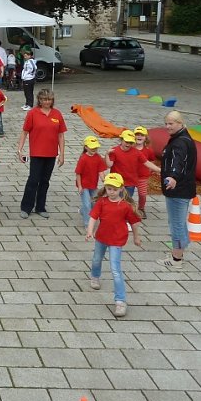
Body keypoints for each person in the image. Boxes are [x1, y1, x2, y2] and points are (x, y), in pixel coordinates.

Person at [86, 172, 143, 317]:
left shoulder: (125, 206)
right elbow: (93, 217)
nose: (111, 192)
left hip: (117, 241)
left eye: (114, 189)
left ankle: (120, 301)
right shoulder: (102, 202)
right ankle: (94, 276)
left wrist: (136, 237)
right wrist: (89, 231)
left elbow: (134, 223)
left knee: (115, 269)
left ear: (121, 189)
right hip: (101, 238)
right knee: (96, 259)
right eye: (109, 188)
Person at [17, 88, 66, 219]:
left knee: (45, 181)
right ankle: (26, 207)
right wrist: (20, 150)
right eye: (44, 99)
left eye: (49, 99)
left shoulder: (57, 114)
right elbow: (24, 132)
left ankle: (40, 206)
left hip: (51, 153)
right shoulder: (33, 113)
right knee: (33, 180)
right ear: (39, 100)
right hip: (37, 153)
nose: (47, 102)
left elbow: (60, 135)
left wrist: (62, 154)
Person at [157, 111, 198, 269]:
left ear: (180, 123)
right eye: (166, 123)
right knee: (178, 223)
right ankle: (179, 251)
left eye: (171, 123)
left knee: (177, 224)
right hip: (182, 188)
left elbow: (178, 162)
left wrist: (173, 177)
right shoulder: (182, 138)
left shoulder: (180, 142)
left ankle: (176, 259)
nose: (168, 126)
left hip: (178, 190)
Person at [107, 129, 160, 200]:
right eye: (126, 142)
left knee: (127, 201)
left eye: (131, 142)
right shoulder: (114, 151)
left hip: (130, 182)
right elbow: (109, 165)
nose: (128, 144)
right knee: (115, 200)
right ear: (121, 140)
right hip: (116, 182)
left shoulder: (136, 152)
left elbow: (147, 163)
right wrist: (107, 154)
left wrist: (159, 170)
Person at [75, 135, 108, 228]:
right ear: (86, 147)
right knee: (87, 204)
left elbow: (101, 171)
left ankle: (82, 211)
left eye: (96, 147)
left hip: (93, 185)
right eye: (92, 147)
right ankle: (87, 225)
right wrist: (80, 186)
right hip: (84, 185)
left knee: (95, 203)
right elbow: (78, 173)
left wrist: (105, 181)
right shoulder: (83, 158)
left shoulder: (98, 158)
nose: (94, 149)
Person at [133, 125, 157, 217]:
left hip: (142, 176)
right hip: (131, 175)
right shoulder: (130, 148)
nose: (139, 137)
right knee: (127, 194)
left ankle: (141, 208)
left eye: (142, 135)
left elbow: (152, 160)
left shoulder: (148, 150)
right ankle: (127, 209)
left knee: (142, 194)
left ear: (146, 138)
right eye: (137, 134)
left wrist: (150, 169)